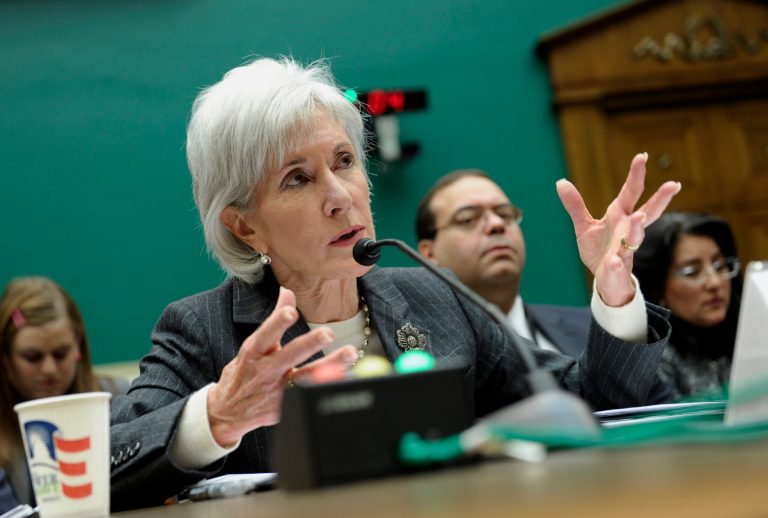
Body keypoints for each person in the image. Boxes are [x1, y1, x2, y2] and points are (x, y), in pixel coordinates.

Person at [109, 57, 680, 511]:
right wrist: (217, 415)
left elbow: (591, 402)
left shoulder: (434, 296)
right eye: (298, 178)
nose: (340, 195)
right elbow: (97, 468)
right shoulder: (202, 330)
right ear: (244, 225)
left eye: (345, 161)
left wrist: (614, 293)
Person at [416, 170, 590, 358]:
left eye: (505, 214)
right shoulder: (416, 351)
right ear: (429, 254)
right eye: (468, 219)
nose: (496, 223)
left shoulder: (592, 328)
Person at [0, 276, 129, 508]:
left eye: (61, 353)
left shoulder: (120, 398)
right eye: (32, 357)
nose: (49, 369)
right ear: (6, 358)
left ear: (78, 349)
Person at [633, 212, 742, 400]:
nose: (714, 283)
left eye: (719, 266)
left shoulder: (748, 330)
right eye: (692, 272)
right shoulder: (651, 360)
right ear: (657, 289)